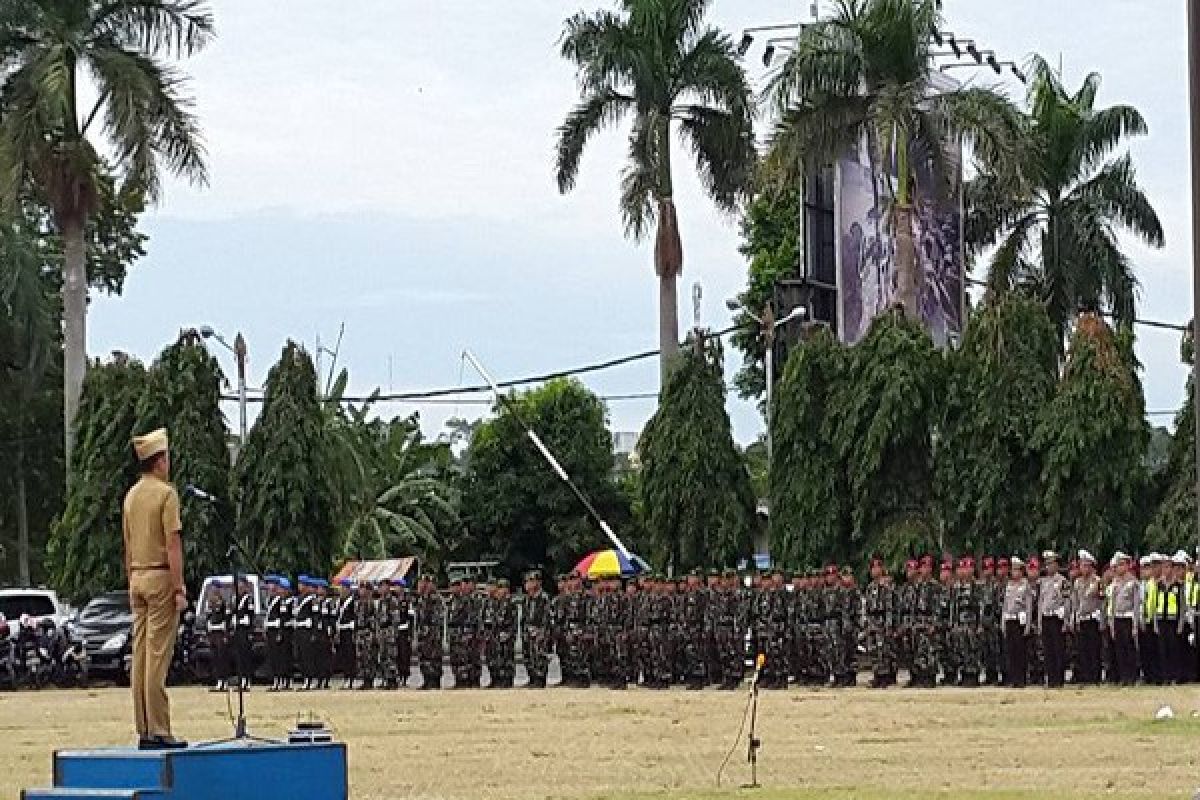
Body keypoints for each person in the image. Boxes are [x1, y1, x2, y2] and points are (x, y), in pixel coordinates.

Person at [123, 427, 188, 749]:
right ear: (160, 461)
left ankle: (144, 727)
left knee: (140, 655)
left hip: (137, 576)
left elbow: (127, 544)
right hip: (161, 576)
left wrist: (130, 579)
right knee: (158, 655)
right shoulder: (166, 494)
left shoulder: (131, 495)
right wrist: (179, 588)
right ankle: (160, 729)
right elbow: (172, 542)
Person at [1070, 551, 1104, 684]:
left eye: (1086, 566)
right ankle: (1085, 676)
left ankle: (1095, 677)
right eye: (1081, 566)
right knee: (1082, 649)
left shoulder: (1097, 581)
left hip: (1093, 619)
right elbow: (1075, 602)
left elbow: (1101, 601)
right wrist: (1074, 618)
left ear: (1091, 567)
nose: (1083, 569)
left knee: (1094, 649)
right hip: (1082, 618)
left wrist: (1102, 620)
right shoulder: (1077, 582)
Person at [1155, 553, 1189, 684]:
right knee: (1163, 650)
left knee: (1174, 649)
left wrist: (1181, 624)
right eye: (1163, 567)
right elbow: (1155, 604)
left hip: (1173, 621)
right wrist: (1156, 623)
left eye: (1168, 567)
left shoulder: (1178, 585)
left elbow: (1182, 606)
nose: (1166, 570)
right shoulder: (1159, 585)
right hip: (1161, 619)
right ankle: (1165, 676)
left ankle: (1175, 676)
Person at [1107, 552, 1140, 686]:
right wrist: (1112, 624)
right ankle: (1123, 677)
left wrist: (1135, 624)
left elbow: (1136, 604)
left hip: (1128, 618)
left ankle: (1131, 677)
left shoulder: (1133, 582)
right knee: (1119, 649)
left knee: (1129, 649)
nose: (1119, 568)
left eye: (1122, 564)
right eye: (1118, 564)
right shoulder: (1115, 582)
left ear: (1127, 565)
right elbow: (1113, 604)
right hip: (1117, 618)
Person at [949, 556, 982, 687]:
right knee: (960, 649)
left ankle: (972, 675)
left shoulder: (977, 587)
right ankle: (963, 674)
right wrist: (953, 623)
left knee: (973, 650)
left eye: (968, 568)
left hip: (972, 623)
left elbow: (981, 607)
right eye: (963, 568)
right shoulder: (956, 588)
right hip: (960, 623)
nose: (965, 571)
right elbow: (953, 607)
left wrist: (979, 624)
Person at [1038, 551, 1069, 688]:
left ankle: (1059, 679)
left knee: (1058, 649)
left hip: (1057, 618)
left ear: (1056, 565)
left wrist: (1066, 620)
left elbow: (1067, 601)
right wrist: (1039, 620)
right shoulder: (1044, 582)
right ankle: (1051, 678)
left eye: (1051, 564)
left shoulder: (1063, 581)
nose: (1048, 567)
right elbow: (1041, 602)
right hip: (1046, 617)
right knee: (1048, 649)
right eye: (1046, 564)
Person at [1002, 558, 1033, 688]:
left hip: (1020, 621)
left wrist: (1028, 625)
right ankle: (1013, 678)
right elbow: (1005, 605)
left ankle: (1021, 679)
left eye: (1017, 570)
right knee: (1011, 651)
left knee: (1020, 651)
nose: (1014, 572)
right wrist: (1003, 622)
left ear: (1021, 571)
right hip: (1009, 619)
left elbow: (1029, 606)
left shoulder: (1025, 585)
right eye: (1013, 569)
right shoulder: (1009, 585)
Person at [520, 571, 552, 688]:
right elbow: (523, 618)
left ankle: (540, 678)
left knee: (540, 654)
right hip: (528, 631)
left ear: (538, 582)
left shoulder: (544, 598)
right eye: (527, 581)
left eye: (531, 581)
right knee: (528, 654)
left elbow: (547, 617)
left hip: (540, 631)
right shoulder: (526, 600)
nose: (528, 584)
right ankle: (532, 677)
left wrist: (541, 631)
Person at [485, 578, 518, 688]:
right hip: (496, 635)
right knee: (496, 658)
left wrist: (508, 634)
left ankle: (507, 680)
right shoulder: (496, 602)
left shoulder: (510, 603)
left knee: (507, 658)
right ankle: (497, 679)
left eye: (501, 588)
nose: (499, 591)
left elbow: (513, 622)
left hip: (506, 635)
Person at [415, 573, 445, 690]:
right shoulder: (421, 599)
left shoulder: (435, 599)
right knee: (423, 657)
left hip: (432, 633)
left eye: (424, 583)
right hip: (423, 633)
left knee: (434, 657)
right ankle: (426, 679)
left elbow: (435, 618)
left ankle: (434, 681)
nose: (422, 585)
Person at [263, 576, 291, 691]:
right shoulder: (270, 600)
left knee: (280, 656)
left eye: (271, 585)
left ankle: (281, 679)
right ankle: (275, 679)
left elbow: (283, 618)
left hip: (277, 630)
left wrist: (280, 632)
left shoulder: (281, 601)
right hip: (270, 630)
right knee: (272, 656)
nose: (269, 587)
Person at [205, 588, 231, 692]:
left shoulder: (224, 604)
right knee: (215, 658)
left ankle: (224, 681)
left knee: (222, 658)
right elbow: (208, 617)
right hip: (213, 633)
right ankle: (218, 681)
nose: (214, 592)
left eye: (216, 590)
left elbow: (227, 619)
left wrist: (226, 634)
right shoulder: (210, 604)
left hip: (221, 632)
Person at [353, 580, 377, 690]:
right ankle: (364, 679)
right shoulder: (358, 603)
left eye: (363, 588)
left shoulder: (371, 603)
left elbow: (374, 620)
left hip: (368, 632)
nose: (361, 590)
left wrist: (373, 634)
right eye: (360, 588)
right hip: (360, 632)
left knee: (369, 657)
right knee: (361, 657)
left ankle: (369, 680)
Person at [231, 577, 254, 691]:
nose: (239, 587)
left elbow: (250, 616)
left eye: (241, 585)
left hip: (245, 630)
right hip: (238, 630)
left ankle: (247, 681)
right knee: (239, 656)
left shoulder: (248, 599)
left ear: (245, 586)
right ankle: (241, 680)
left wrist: (249, 630)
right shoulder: (236, 598)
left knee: (245, 656)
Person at [334, 579, 356, 690]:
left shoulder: (352, 601)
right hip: (341, 631)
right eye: (341, 588)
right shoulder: (339, 602)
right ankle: (346, 677)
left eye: (343, 588)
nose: (341, 590)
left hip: (349, 631)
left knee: (350, 655)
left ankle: (350, 678)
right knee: (343, 656)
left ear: (348, 589)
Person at [391, 578, 413, 688]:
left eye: (398, 586)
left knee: (405, 654)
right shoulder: (393, 600)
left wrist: (411, 633)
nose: (396, 588)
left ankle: (405, 677)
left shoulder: (408, 600)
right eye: (395, 586)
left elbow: (411, 617)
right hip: (395, 631)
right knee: (396, 654)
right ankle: (398, 676)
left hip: (405, 630)